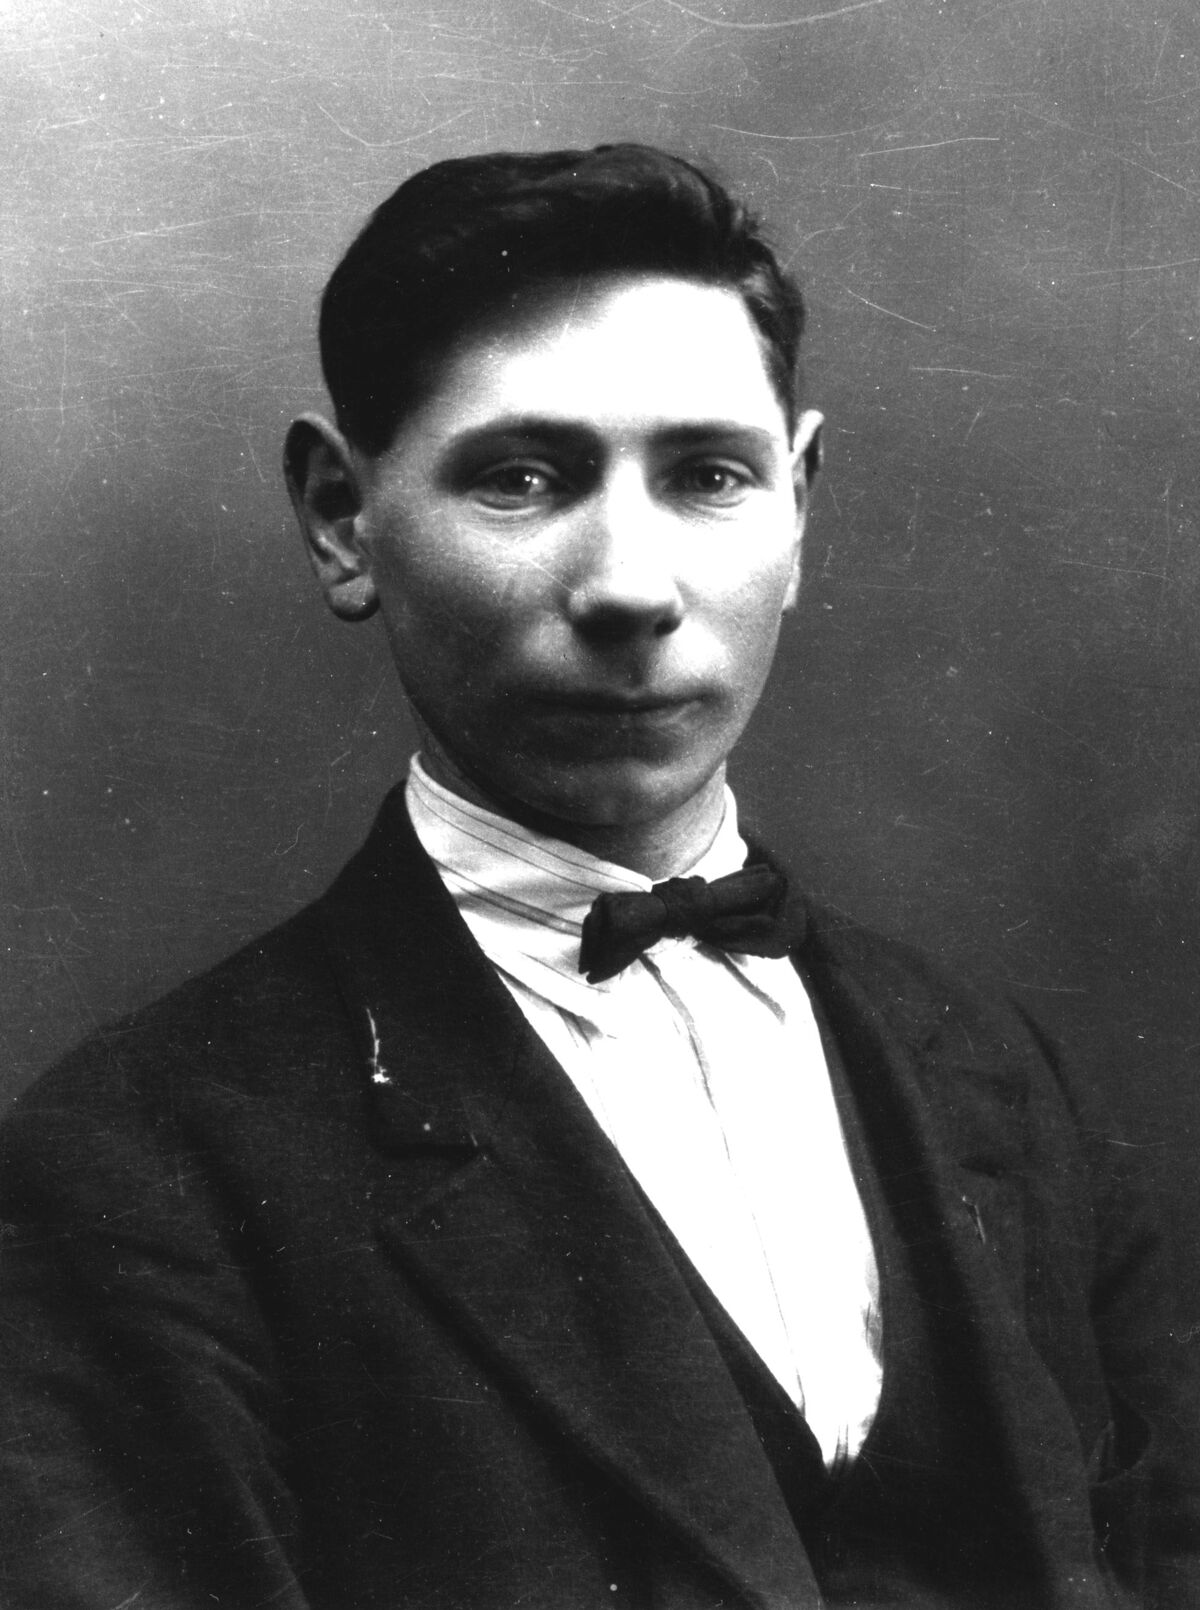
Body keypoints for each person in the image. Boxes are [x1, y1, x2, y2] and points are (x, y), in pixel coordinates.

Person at [0, 144, 1196, 1610]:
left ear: (800, 505)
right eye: (522, 478)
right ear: (341, 517)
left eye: (709, 476)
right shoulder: (138, 1168)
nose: (630, 585)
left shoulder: (1002, 1078)